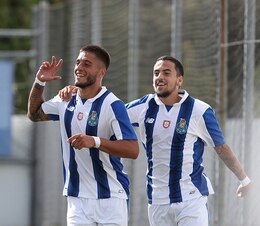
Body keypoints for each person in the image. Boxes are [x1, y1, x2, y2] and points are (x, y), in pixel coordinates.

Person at [59, 55, 251, 226]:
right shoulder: (144, 106)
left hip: (191, 198)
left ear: (179, 80)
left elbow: (221, 147)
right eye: (156, 73)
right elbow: (108, 112)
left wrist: (244, 179)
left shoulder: (199, 111)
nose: (160, 77)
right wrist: (79, 92)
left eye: (166, 73)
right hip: (157, 201)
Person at [27, 44, 139, 226]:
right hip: (77, 199)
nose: (79, 68)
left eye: (87, 64)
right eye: (78, 62)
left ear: (101, 72)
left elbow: (133, 149)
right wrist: (40, 82)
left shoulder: (112, 105)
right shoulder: (65, 99)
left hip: (110, 198)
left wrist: (93, 141)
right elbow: (34, 114)